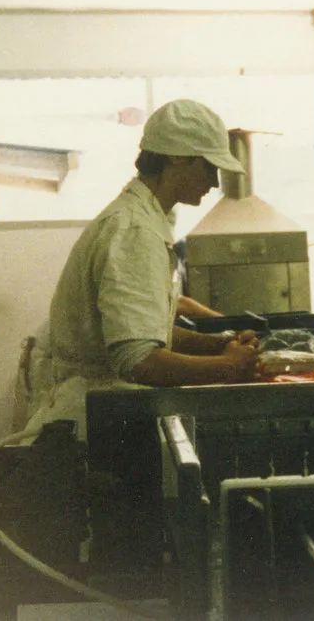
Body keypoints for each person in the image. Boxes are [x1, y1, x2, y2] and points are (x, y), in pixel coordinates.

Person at [25, 99, 262, 440]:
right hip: (95, 425)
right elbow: (138, 360)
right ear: (177, 157)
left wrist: (217, 344)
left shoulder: (143, 218)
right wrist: (228, 367)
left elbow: (144, 331)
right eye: (210, 166)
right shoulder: (135, 231)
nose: (215, 181)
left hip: (100, 413)